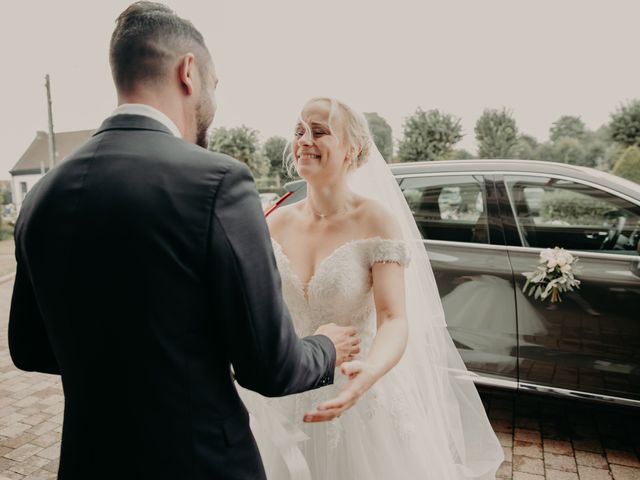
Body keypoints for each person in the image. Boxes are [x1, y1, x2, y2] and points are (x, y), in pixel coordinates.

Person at [8, 4, 359, 479]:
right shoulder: (216, 181)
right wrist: (326, 346)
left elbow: (29, 349)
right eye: (215, 85)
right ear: (188, 72)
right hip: (200, 463)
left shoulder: (43, 196)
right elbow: (269, 367)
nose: (213, 98)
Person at [238, 97, 505, 479]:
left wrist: (370, 373)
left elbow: (394, 318)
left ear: (353, 149)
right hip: (284, 388)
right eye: (299, 132)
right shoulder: (274, 223)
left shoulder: (376, 220)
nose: (304, 141)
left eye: (320, 131)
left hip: (357, 391)